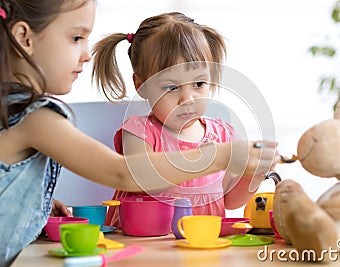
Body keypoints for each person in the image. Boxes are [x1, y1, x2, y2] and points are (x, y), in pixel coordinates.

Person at [0, 2, 276, 265]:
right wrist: (220, 155)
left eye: (199, 83)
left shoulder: (18, 111)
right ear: (24, 37)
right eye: (76, 38)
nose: (86, 54)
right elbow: (126, 173)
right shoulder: (33, 116)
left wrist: (35, 210)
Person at [91, 12, 279, 228]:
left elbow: (231, 200)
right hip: (145, 245)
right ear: (140, 85)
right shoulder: (138, 132)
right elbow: (148, 181)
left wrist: (254, 174)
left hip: (202, 243)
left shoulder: (223, 134)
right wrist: (208, 157)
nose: (187, 99)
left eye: (199, 84)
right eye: (171, 87)